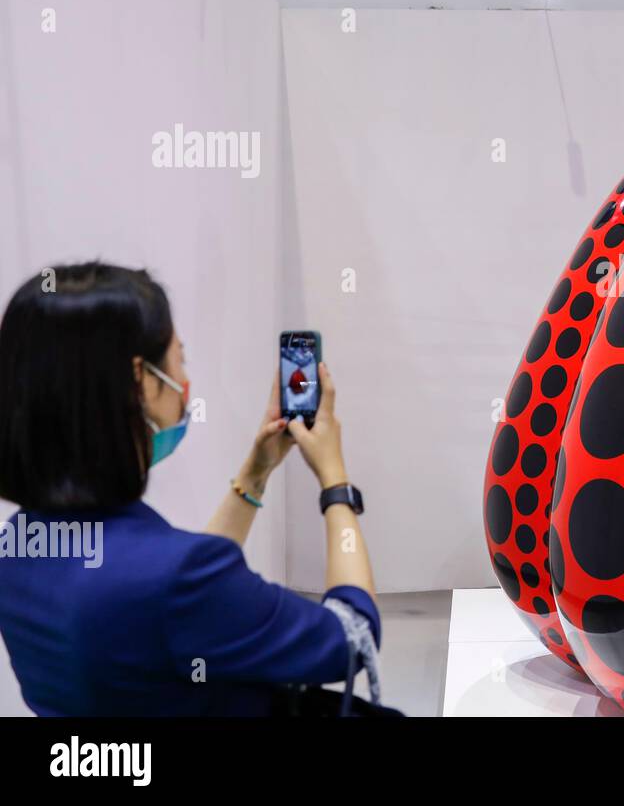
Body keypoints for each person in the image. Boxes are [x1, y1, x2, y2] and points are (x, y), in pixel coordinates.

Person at [0, 262, 381, 715]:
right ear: (141, 381)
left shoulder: (19, 546)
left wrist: (255, 473)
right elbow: (353, 636)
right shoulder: (177, 579)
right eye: (180, 358)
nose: (185, 382)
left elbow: (173, 606)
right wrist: (334, 481)